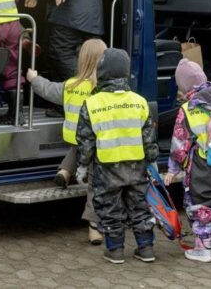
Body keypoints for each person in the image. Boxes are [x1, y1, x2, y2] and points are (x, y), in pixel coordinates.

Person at [75, 48, 158, 264]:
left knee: (110, 208)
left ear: (101, 71)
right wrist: (153, 162)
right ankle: (146, 248)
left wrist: (82, 167)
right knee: (140, 206)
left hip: (107, 168)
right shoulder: (140, 101)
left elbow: (85, 141)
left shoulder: (92, 103)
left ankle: (115, 251)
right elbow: (149, 137)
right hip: (136, 167)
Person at [26, 38, 106, 245]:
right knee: (94, 185)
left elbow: (49, 90)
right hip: (97, 144)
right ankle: (94, 228)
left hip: (74, 137)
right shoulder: (102, 90)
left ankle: (64, 171)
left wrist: (35, 79)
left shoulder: (71, 85)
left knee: (77, 148)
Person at [164, 59, 211, 263]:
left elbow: (180, 142)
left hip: (202, 164)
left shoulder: (188, 108)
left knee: (200, 202)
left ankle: (203, 247)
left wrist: (173, 168)